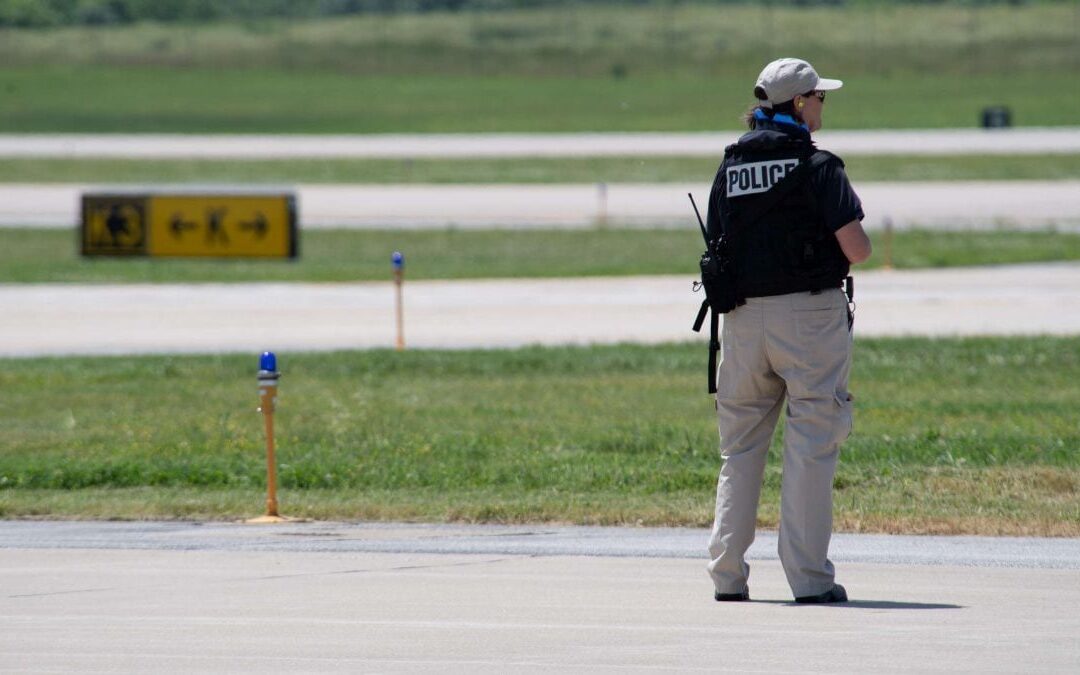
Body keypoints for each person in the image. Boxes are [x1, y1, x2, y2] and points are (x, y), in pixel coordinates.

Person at [705, 58, 871, 604]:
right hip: (807, 320)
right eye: (820, 97)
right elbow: (857, 250)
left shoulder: (730, 165)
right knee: (811, 444)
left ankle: (727, 576)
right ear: (799, 103)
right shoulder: (818, 165)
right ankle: (808, 578)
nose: (824, 105)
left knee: (741, 449)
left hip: (743, 322)